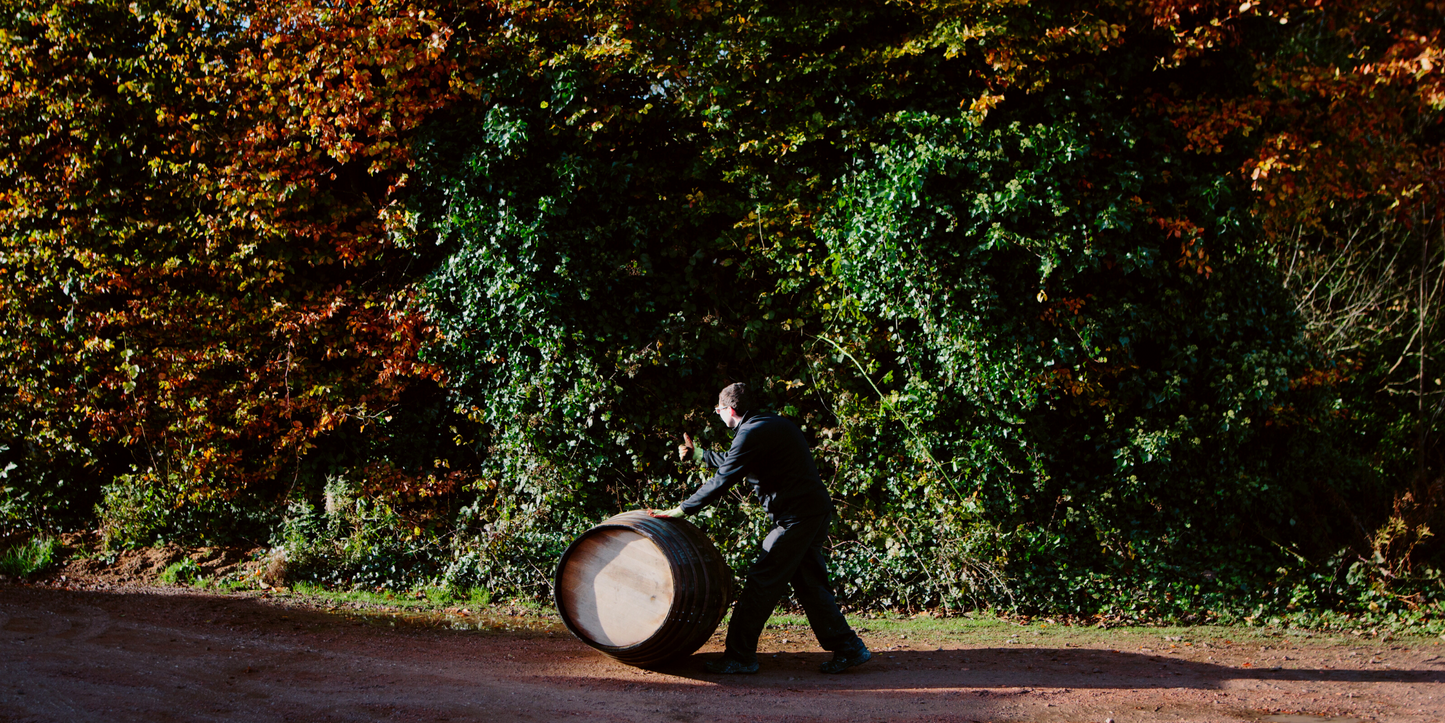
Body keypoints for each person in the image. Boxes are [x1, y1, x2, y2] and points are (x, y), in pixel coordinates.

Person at [649, 382, 871, 675]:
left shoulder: (752, 432)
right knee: (809, 583)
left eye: (718, 410)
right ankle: (849, 647)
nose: (718, 415)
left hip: (796, 519)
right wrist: (701, 454)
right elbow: (736, 462)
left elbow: (724, 478)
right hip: (812, 513)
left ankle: (740, 657)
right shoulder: (767, 425)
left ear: (729, 409)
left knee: (761, 581)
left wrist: (681, 509)